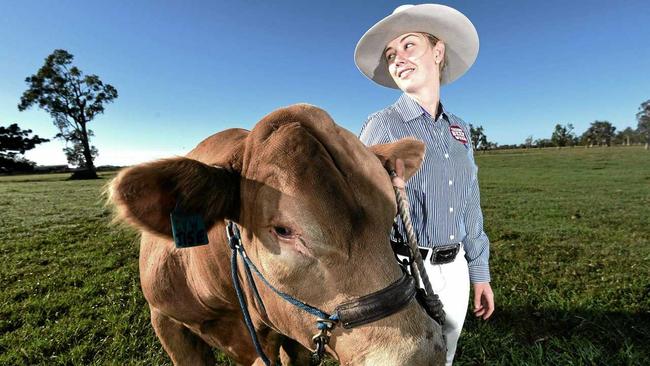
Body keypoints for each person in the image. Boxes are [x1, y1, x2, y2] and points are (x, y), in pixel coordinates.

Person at [355, 4, 494, 365]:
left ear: (437, 51)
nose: (397, 59)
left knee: (446, 354)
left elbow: (469, 201)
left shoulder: (459, 129)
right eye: (390, 54)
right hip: (404, 271)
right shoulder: (381, 125)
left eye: (408, 45)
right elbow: (362, 210)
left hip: (457, 267)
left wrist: (479, 274)